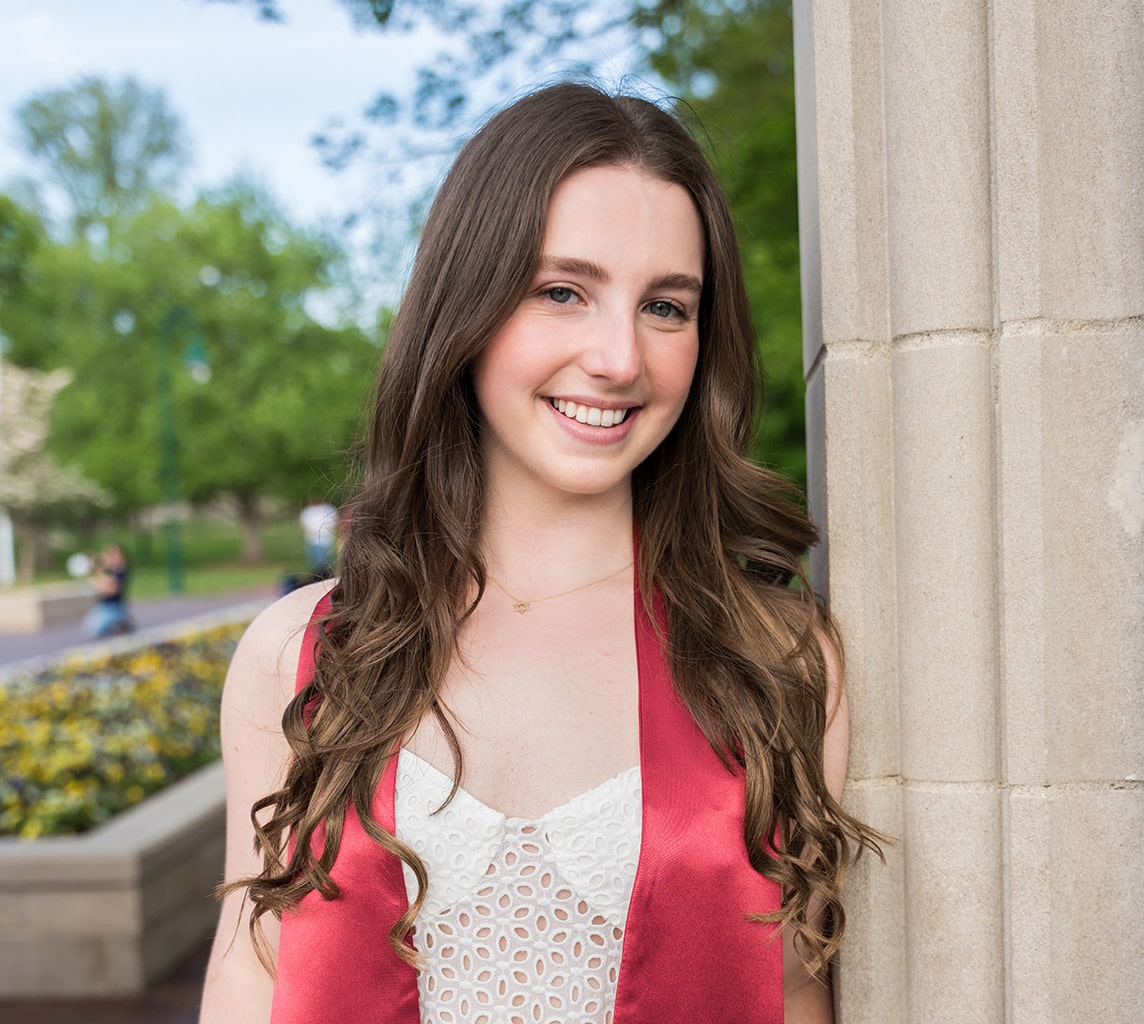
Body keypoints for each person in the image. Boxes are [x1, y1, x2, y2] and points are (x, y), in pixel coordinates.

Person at [200, 83, 883, 1024]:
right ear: (467, 308)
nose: (618, 357)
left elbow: (798, 994)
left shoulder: (778, 657)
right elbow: (251, 977)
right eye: (562, 291)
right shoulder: (300, 652)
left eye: (667, 307)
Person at [82, 543, 132, 638]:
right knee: (89, 629)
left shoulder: (121, 572)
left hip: (114, 606)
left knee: (97, 630)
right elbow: (102, 581)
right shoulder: (110, 570)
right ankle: (119, 622)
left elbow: (110, 589)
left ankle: (120, 622)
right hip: (104, 606)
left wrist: (96, 582)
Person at [298, 498, 339, 579]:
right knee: (316, 562)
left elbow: (335, 522)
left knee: (327, 561)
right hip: (313, 540)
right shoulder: (308, 511)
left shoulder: (327, 508)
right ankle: (317, 577)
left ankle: (327, 576)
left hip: (326, 539)